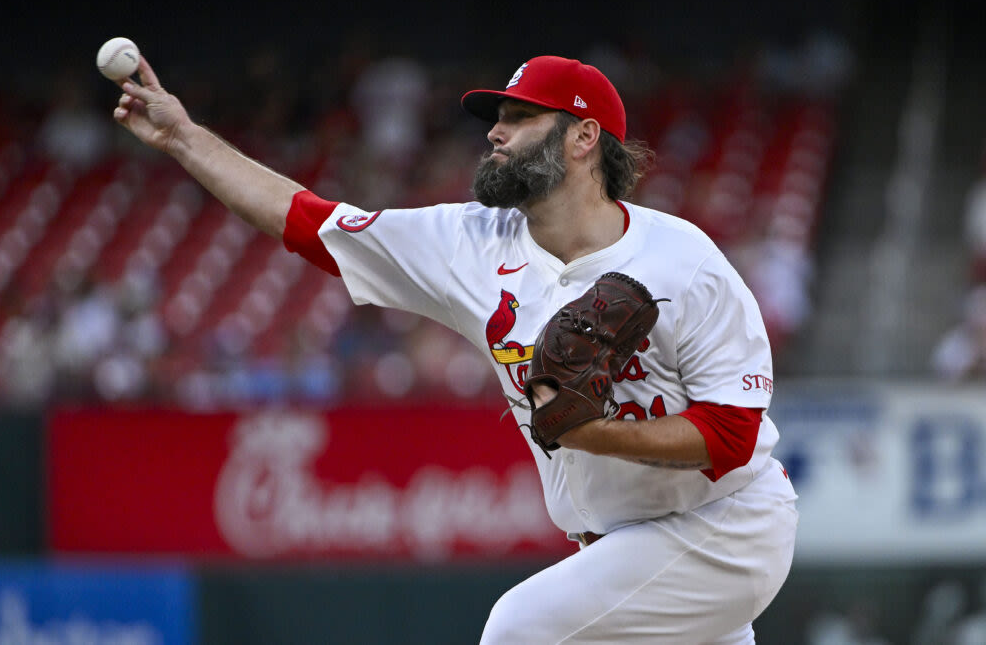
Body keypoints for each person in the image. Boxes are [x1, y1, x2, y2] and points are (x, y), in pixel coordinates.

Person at [112, 52, 798, 644]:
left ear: (584, 136)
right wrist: (183, 138)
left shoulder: (685, 262)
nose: (495, 132)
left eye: (521, 116)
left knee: (518, 628)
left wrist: (594, 433)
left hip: (724, 527)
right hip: (621, 544)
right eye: (496, 117)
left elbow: (732, 434)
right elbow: (310, 224)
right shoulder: (471, 244)